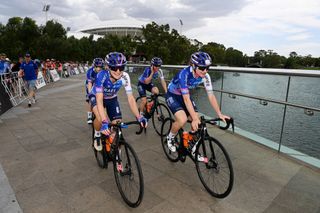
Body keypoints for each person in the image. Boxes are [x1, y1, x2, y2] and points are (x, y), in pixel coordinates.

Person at [165, 51, 230, 160]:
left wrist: (219, 113)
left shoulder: (205, 76)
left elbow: (211, 96)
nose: (205, 71)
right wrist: (193, 118)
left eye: (207, 68)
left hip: (185, 95)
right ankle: (170, 137)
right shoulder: (184, 74)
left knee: (199, 123)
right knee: (182, 119)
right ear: (193, 66)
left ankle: (192, 146)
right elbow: (186, 99)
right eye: (202, 68)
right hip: (173, 95)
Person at [90, 52, 147, 151]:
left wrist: (139, 116)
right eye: (114, 67)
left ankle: (116, 154)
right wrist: (104, 121)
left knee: (117, 124)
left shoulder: (125, 77)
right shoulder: (101, 76)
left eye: (121, 68)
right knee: (100, 118)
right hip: (97, 96)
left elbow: (131, 99)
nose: (117, 71)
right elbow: (99, 101)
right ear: (107, 67)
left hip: (112, 98)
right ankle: (97, 134)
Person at [85, 58, 104, 124]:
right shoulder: (90, 71)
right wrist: (90, 94)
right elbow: (90, 83)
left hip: (98, 84)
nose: (99, 68)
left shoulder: (103, 72)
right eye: (97, 67)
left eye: (100, 67)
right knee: (91, 99)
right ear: (94, 66)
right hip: (91, 83)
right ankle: (89, 116)